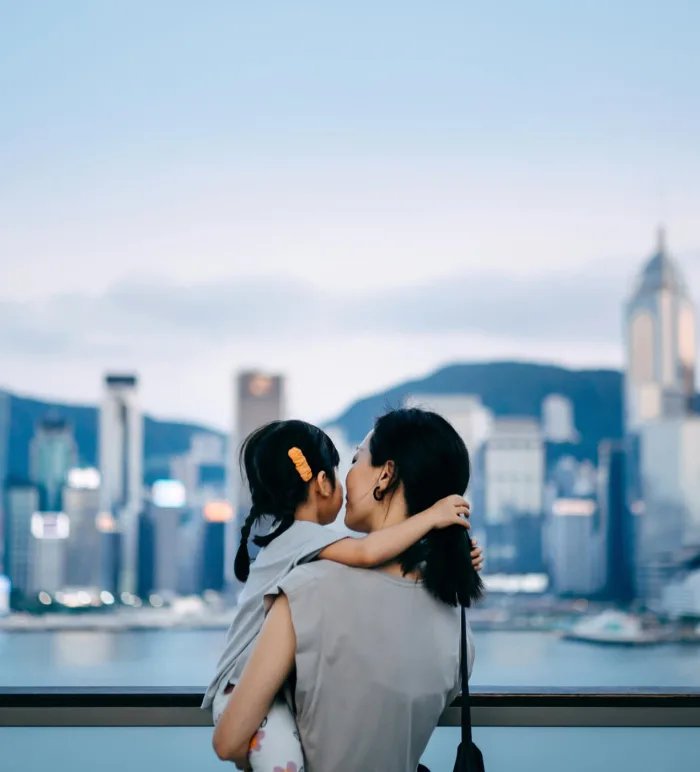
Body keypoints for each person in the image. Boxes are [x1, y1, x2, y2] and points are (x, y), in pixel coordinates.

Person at [203, 418, 484, 770]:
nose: (344, 477)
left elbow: (229, 742)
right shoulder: (456, 625)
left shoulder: (308, 591)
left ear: (385, 475)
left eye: (355, 459)